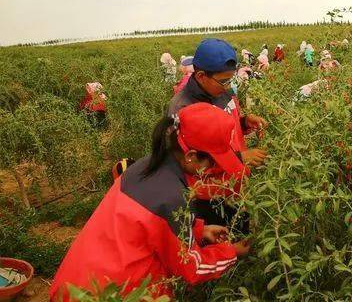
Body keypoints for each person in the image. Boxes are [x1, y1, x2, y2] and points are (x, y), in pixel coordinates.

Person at [50, 103, 251, 301]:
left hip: (76, 284)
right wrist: (231, 252)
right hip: (108, 295)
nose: (212, 169)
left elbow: (150, 229)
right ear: (190, 156)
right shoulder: (172, 196)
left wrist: (198, 230)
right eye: (213, 162)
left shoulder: (147, 165)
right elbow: (192, 268)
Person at [168, 39, 269, 225]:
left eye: (231, 79)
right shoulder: (182, 108)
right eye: (224, 81)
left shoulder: (222, 90)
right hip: (212, 197)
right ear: (200, 76)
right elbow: (188, 162)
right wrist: (240, 157)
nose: (228, 85)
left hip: (237, 185)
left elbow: (223, 128)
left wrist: (244, 122)